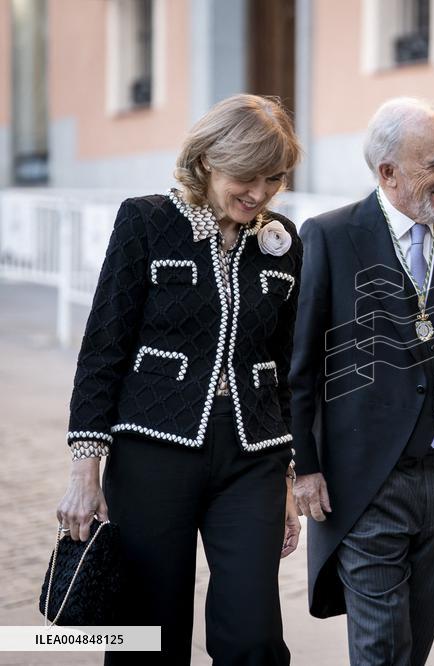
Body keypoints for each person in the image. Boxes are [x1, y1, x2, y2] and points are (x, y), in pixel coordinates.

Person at [56, 94, 303, 665]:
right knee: (148, 636)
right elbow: (103, 349)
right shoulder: (146, 221)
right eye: (248, 176)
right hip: (152, 454)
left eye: (273, 179)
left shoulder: (282, 240)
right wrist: (84, 471)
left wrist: (289, 476)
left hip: (252, 457)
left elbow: (286, 364)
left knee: (254, 637)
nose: (260, 193)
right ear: (209, 160)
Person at [289, 97, 434, 665]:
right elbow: (299, 367)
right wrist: (306, 464)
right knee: (379, 647)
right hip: (364, 481)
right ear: (387, 172)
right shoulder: (328, 236)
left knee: (413, 645)